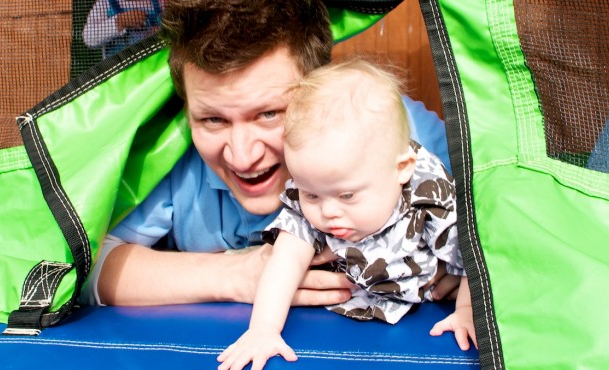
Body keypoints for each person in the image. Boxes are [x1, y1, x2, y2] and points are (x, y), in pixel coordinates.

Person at [80, 0, 461, 311]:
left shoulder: (381, 129)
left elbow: (495, 196)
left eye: (269, 114)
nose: (243, 157)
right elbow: (82, 269)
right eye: (213, 119)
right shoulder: (170, 159)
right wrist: (234, 274)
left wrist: (472, 256)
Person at [217, 59, 476, 370]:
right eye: (311, 194)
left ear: (401, 170)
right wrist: (262, 330)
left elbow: (473, 253)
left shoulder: (428, 194)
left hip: (423, 289)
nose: (327, 211)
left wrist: (466, 310)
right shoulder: (312, 194)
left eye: (347, 196)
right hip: (357, 290)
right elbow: (284, 263)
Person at [83, 0, 164, 59]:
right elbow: (89, 39)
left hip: (153, 74)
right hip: (118, 76)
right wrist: (119, 22)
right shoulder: (104, 3)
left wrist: (162, 33)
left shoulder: (162, 3)